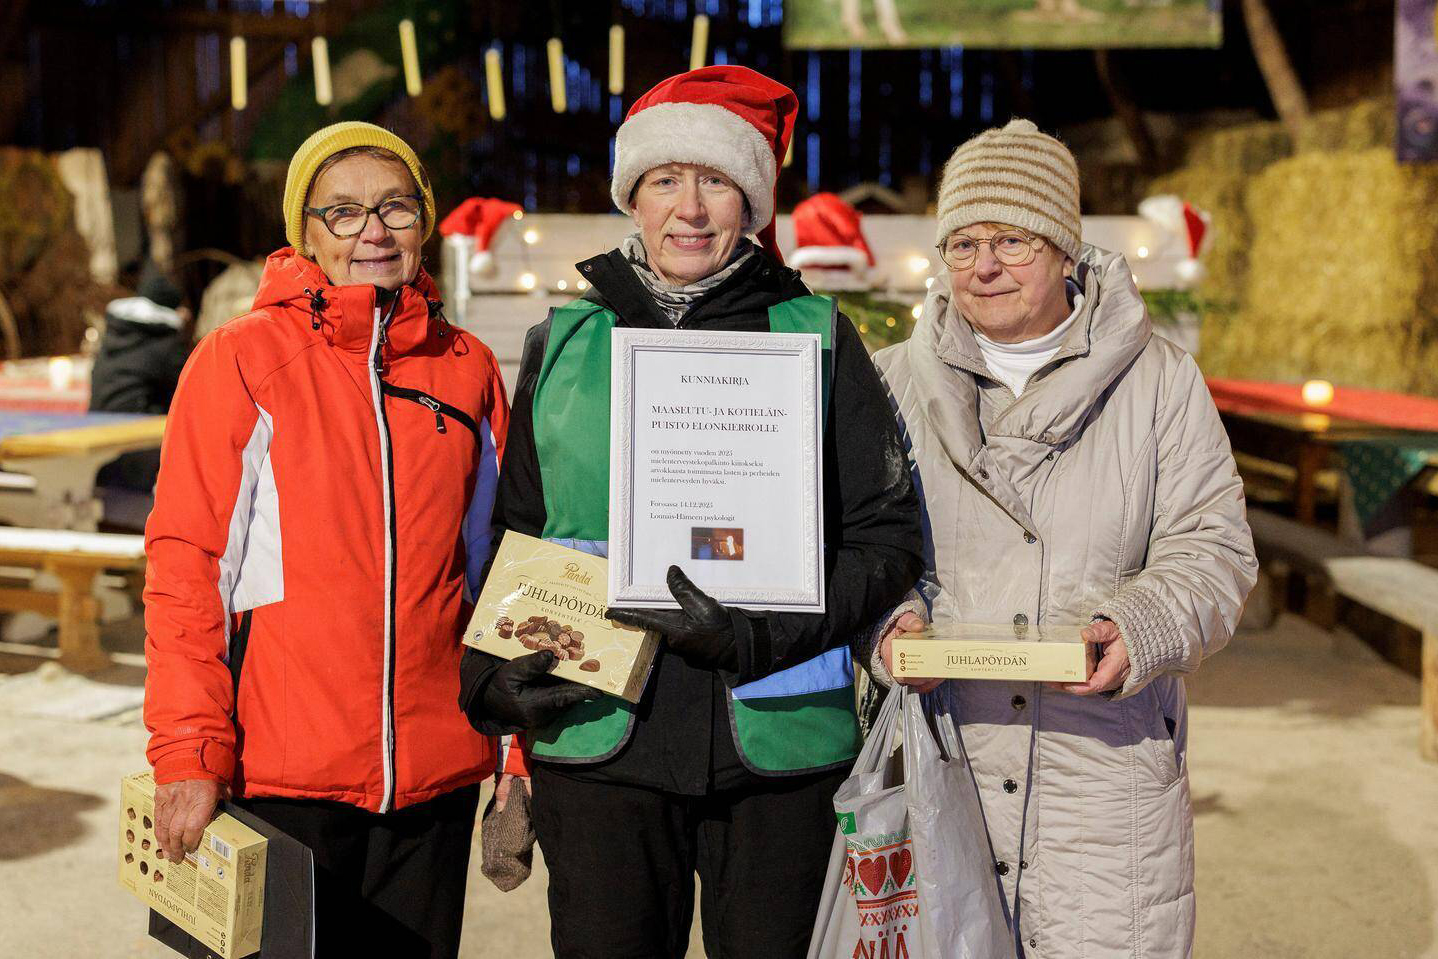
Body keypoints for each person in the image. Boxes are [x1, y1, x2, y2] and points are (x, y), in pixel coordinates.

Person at [459, 66, 924, 958]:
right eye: (666, 179)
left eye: (717, 180)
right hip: (599, 738)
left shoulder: (816, 335)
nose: (692, 208)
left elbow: (885, 538)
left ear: (751, 201)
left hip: (778, 746)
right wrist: (489, 675)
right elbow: (519, 534)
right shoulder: (564, 343)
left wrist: (759, 633)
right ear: (632, 196)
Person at [860, 119, 1258, 958]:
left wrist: (1141, 625)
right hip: (941, 759)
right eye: (963, 243)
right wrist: (885, 623)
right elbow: (853, 546)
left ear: (1065, 249)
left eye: (1012, 240)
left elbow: (1214, 545)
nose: (985, 266)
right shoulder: (890, 384)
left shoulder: (1158, 382)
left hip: (1100, 782)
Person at [142, 121, 527, 958]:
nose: (373, 232)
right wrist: (188, 751)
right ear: (306, 234)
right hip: (279, 775)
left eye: (395, 207)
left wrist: (514, 754)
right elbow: (189, 568)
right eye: (343, 212)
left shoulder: (466, 368)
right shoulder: (241, 360)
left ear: (424, 220)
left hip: (433, 779)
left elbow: (502, 572)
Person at [90, 259, 192, 524]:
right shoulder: (166, 343)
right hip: (138, 446)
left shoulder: (115, 333)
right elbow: (190, 391)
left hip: (97, 438)